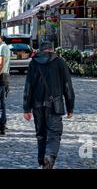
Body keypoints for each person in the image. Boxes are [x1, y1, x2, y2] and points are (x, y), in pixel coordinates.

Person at [23, 41, 75, 169]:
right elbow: (67, 86)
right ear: (52, 49)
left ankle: (42, 161)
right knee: (54, 134)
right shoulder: (60, 62)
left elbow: (28, 87)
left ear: (41, 50)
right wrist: (70, 107)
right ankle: (49, 157)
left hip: (37, 106)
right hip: (55, 106)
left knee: (41, 134)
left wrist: (26, 108)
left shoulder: (34, 63)